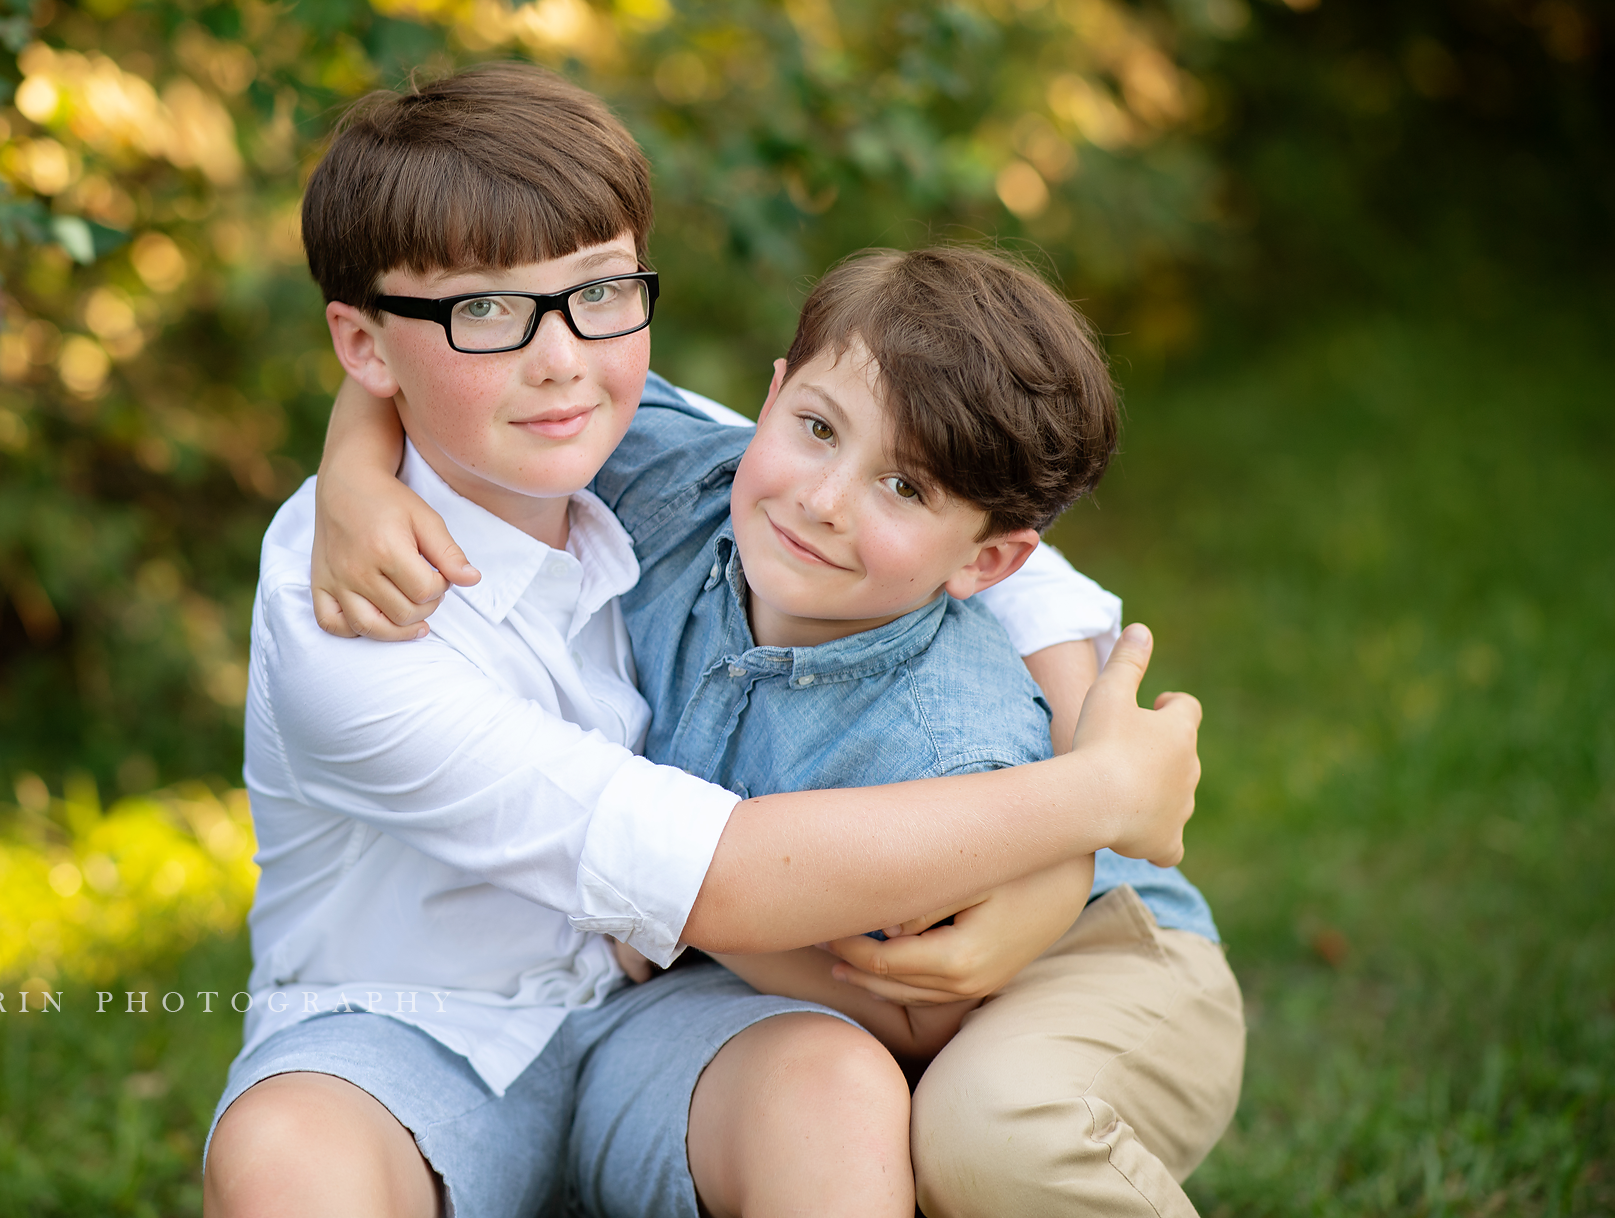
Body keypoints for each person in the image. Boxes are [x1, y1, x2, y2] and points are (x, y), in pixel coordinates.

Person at [202, 62, 1204, 1218]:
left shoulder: (636, 443)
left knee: (828, 1091)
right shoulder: (347, 621)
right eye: (484, 309)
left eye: (599, 293)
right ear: (364, 347)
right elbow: (717, 876)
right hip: (408, 1031)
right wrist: (1095, 801)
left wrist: (1064, 844)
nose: (560, 359)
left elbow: (983, 543)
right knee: (283, 1160)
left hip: (671, 1011)